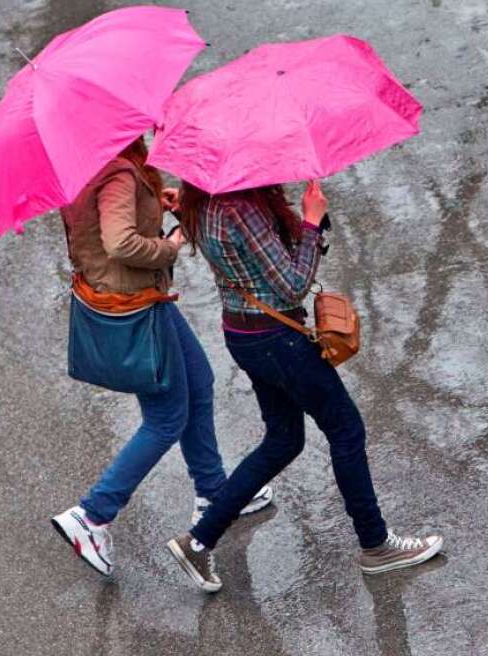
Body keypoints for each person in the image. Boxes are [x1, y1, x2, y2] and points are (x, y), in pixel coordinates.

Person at [164, 179, 443, 593]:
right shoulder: (240, 206)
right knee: (346, 429)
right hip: (277, 339)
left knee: (283, 439)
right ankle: (377, 544)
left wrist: (306, 225)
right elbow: (292, 285)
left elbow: (256, 259)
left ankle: (199, 540)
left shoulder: (200, 197)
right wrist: (312, 222)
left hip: (244, 332)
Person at [50, 137, 273, 577]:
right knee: (166, 417)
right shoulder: (117, 171)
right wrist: (168, 246)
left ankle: (214, 493)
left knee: (199, 381)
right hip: (136, 306)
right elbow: (119, 243)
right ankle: (92, 515)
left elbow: (103, 230)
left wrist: (156, 206)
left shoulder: (86, 162)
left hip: (140, 299)